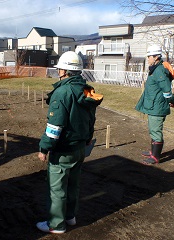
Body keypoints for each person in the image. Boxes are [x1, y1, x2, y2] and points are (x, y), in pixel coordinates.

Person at [36, 51, 103, 234]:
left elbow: (54, 126)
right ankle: (70, 216)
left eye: (59, 69)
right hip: (81, 147)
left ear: (64, 71)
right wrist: (88, 138)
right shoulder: (87, 89)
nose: (58, 71)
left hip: (63, 149)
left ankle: (56, 224)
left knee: (57, 187)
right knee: (73, 183)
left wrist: (44, 147)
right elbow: (91, 119)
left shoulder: (62, 92)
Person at [135, 44, 174, 165]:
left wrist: (171, 101)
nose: (148, 59)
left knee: (156, 130)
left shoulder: (159, 70)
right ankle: (153, 152)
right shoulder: (155, 69)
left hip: (157, 107)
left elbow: (167, 90)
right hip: (153, 105)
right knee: (153, 129)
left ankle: (156, 157)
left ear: (156, 57)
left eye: (149, 56)